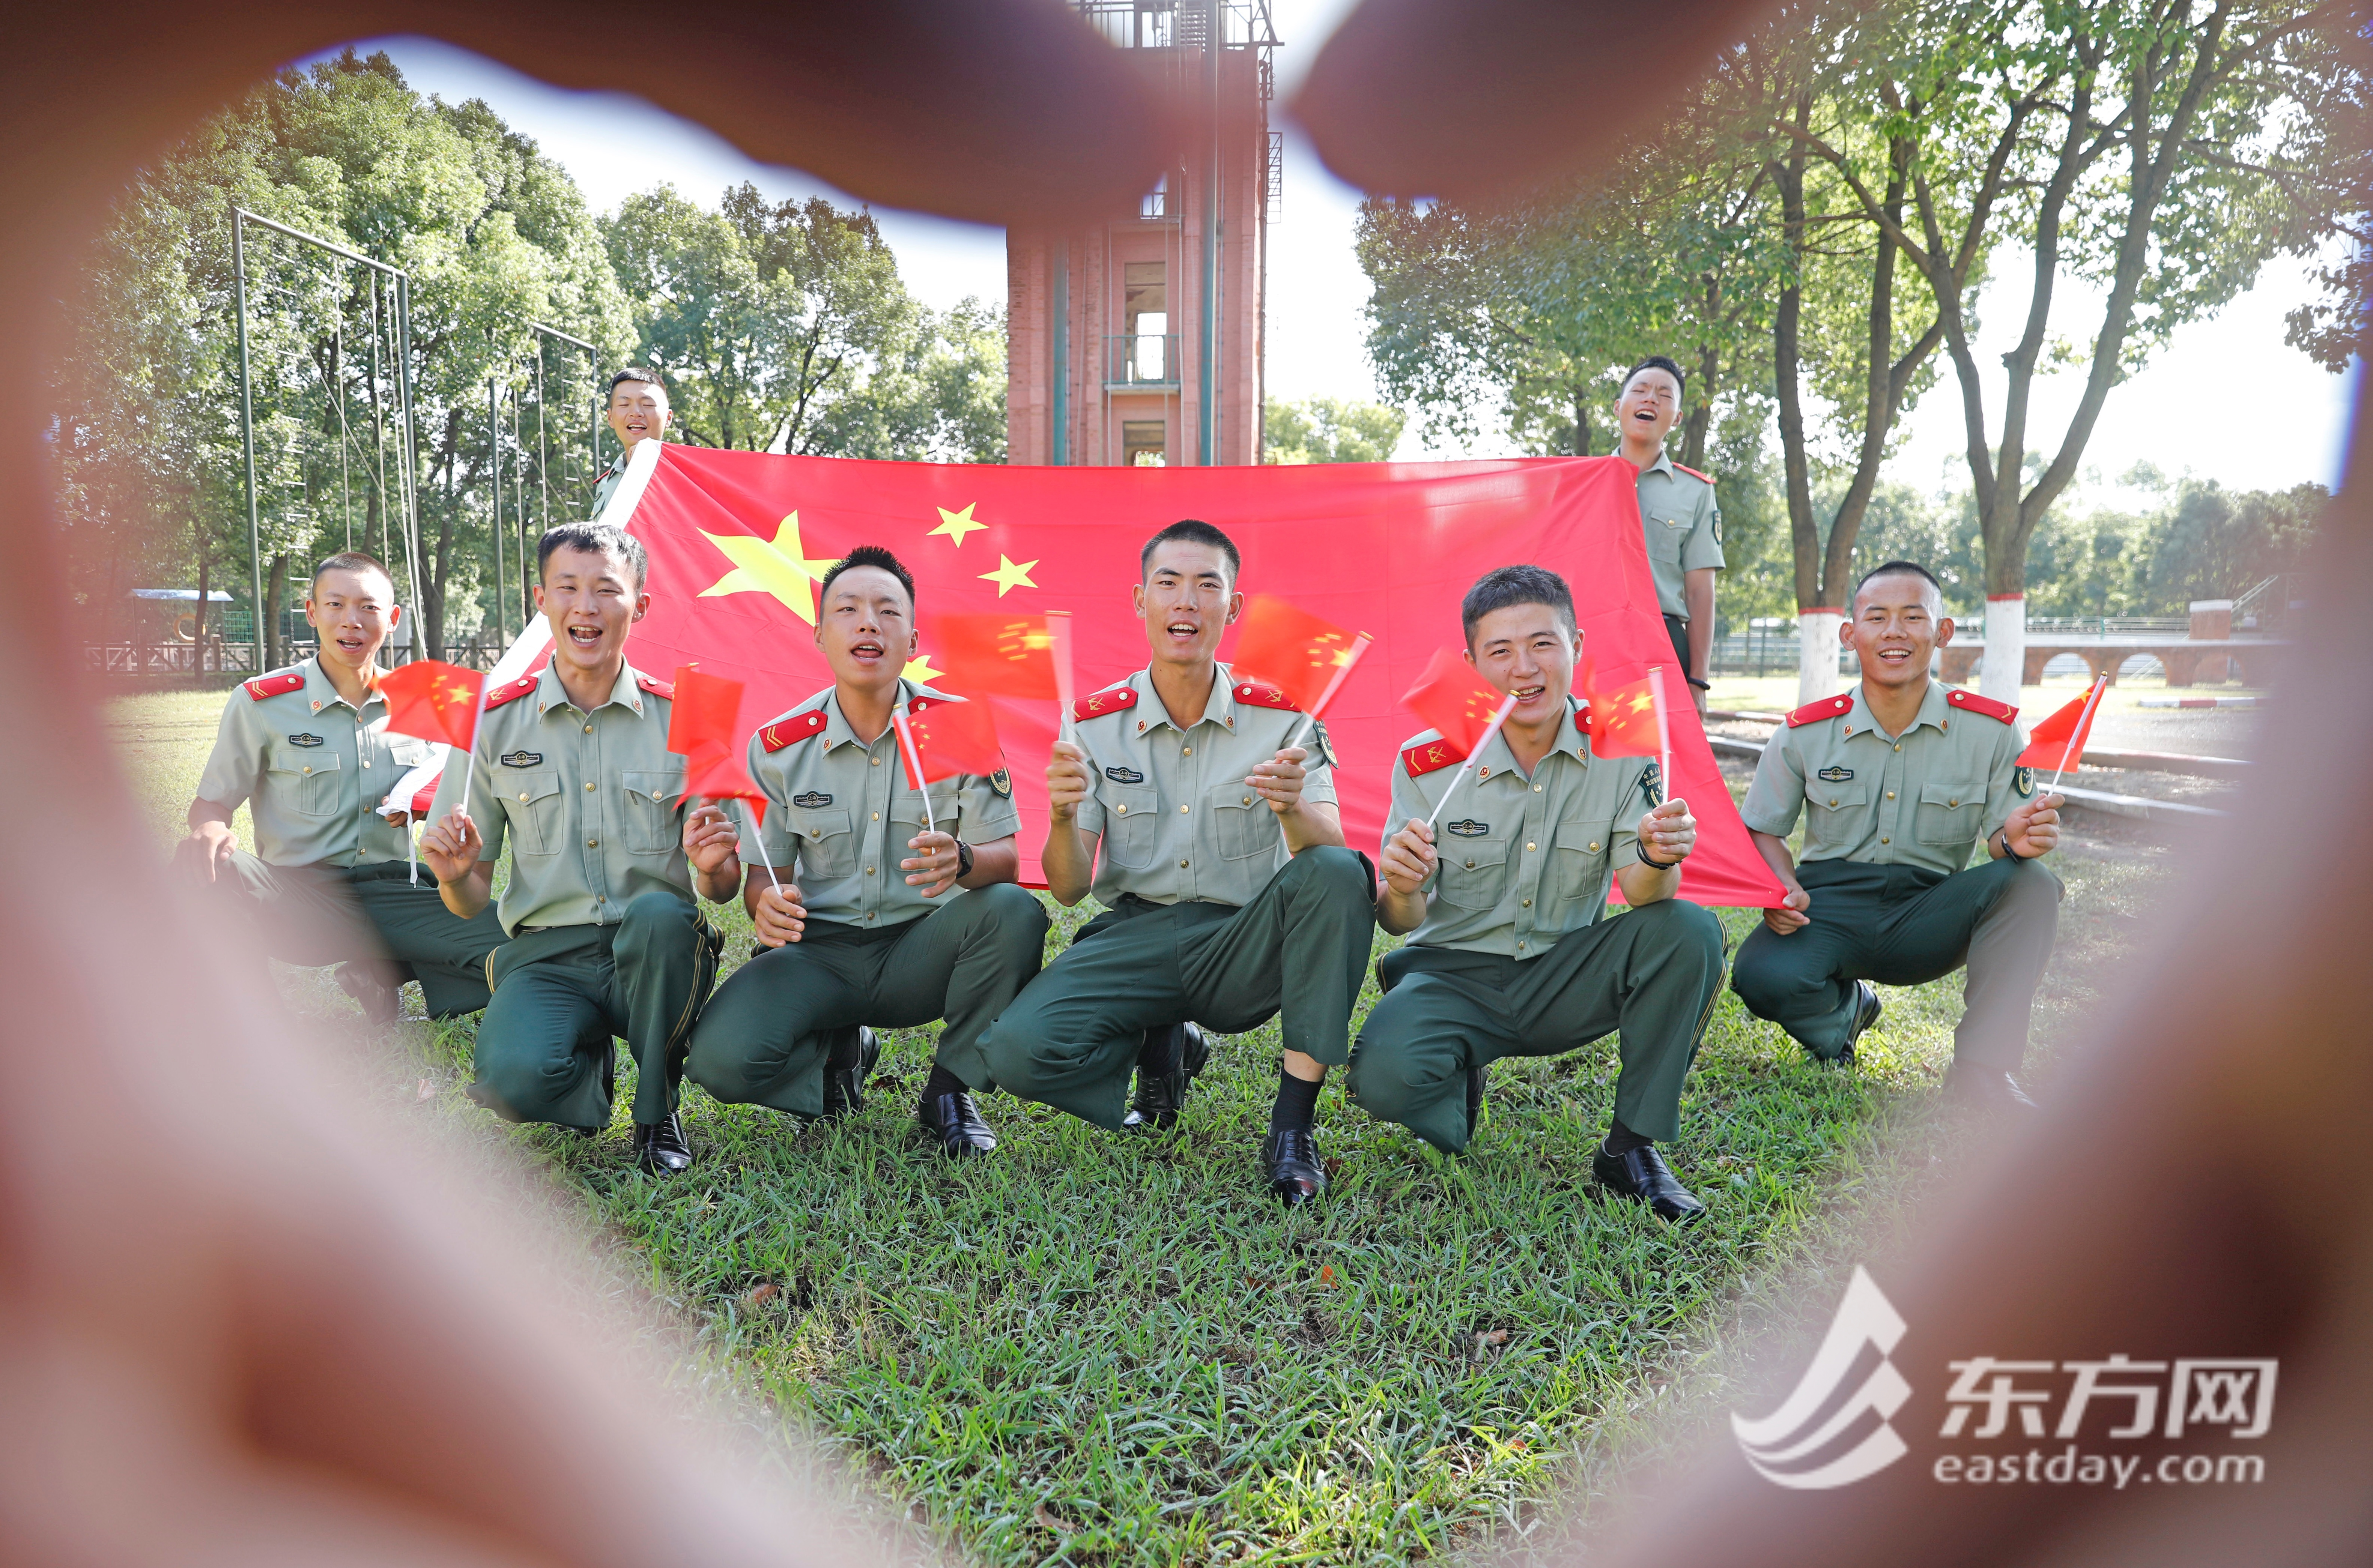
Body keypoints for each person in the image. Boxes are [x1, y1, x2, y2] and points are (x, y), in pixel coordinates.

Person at [979, 520, 1375, 1205]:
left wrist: (1289, 809)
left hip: (1240, 941)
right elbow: (1069, 889)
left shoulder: (1283, 718)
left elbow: (1327, 854)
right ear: (1140, 602)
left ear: (1233, 606)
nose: (1184, 602)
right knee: (1017, 1050)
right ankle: (1161, 1049)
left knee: (1343, 873)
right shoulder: (1093, 723)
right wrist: (1065, 814)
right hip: (1135, 934)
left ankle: (1290, 1131)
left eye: (1205, 586)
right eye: (1167, 584)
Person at [1348, 565, 1728, 1222]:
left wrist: (1652, 852)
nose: (1523, 668)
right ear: (1472, 664)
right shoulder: (1429, 760)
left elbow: (1644, 895)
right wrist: (1400, 882)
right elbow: (1397, 916)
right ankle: (1457, 1070)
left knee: (1688, 931)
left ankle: (1628, 1148)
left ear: (1575, 645)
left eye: (1542, 644)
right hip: (1453, 976)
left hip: (1563, 973)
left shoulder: (1623, 748)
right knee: (1382, 1078)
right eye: (1499, 651)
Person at [681, 547, 1047, 1157]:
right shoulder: (778, 748)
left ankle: (949, 1092)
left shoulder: (954, 726)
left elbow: (1005, 861)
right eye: (847, 610)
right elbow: (761, 880)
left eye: (886, 611)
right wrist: (767, 904)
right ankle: (838, 1055)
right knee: (719, 1062)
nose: (867, 623)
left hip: (921, 953)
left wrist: (961, 858)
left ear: (911, 636)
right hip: (819, 958)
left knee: (1014, 912)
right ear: (820, 635)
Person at [420, 523, 725, 1173]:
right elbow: (470, 897)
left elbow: (719, 890)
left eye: (606, 590)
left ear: (639, 606)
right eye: (568, 588)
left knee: (659, 916)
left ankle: (656, 1112)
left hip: (652, 952)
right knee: (511, 1082)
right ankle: (586, 1056)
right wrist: (452, 875)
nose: (586, 607)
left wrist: (714, 866)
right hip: (547, 957)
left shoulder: (690, 715)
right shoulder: (490, 724)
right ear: (541, 599)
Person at [1730, 560, 2063, 1111]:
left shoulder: (1992, 729)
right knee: (1762, 974)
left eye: (1913, 617)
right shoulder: (1805, 732)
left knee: (2032, 883)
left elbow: (2004, 843)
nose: (1894, 632)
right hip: (1828, 906)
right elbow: (1763, 829)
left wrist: (2016, 841)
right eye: (1877, 617)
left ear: (1943, 631)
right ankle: (1844, 1018)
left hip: (1928, 910)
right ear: (1850, 634)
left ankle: (1982, 1071)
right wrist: (1780, 884)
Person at [179, 550, 504, 1023]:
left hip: (397, 891)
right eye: (335, 605)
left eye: (369, 608)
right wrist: (208, 829)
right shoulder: (263, 703)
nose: (351, 621)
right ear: (312, 612)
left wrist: (421, 804)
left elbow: (455, 777)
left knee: (521, 947)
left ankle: (382, 972)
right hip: (301, 894)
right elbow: (211, 803)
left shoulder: (424, 703)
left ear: (392, 620)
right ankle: (259, 1027)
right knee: (205, 867)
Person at [1614, 356, 1723, 715]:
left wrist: (1698, 680)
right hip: (1590, 637)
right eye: (1640, 391)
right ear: (1619, 407)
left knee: (1658, 763)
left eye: (1664, 395)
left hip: (1663, 642)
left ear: (1676, 418)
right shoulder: (1582, 484)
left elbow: (1699, 590)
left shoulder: (1696, 491)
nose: (1650, 400)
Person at [589, 366, 672, 517]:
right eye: (624, 405)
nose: (636, 413)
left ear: (668, 418)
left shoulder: (681, 478)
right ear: (610, 418)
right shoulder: (606, 483)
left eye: (648, 405)